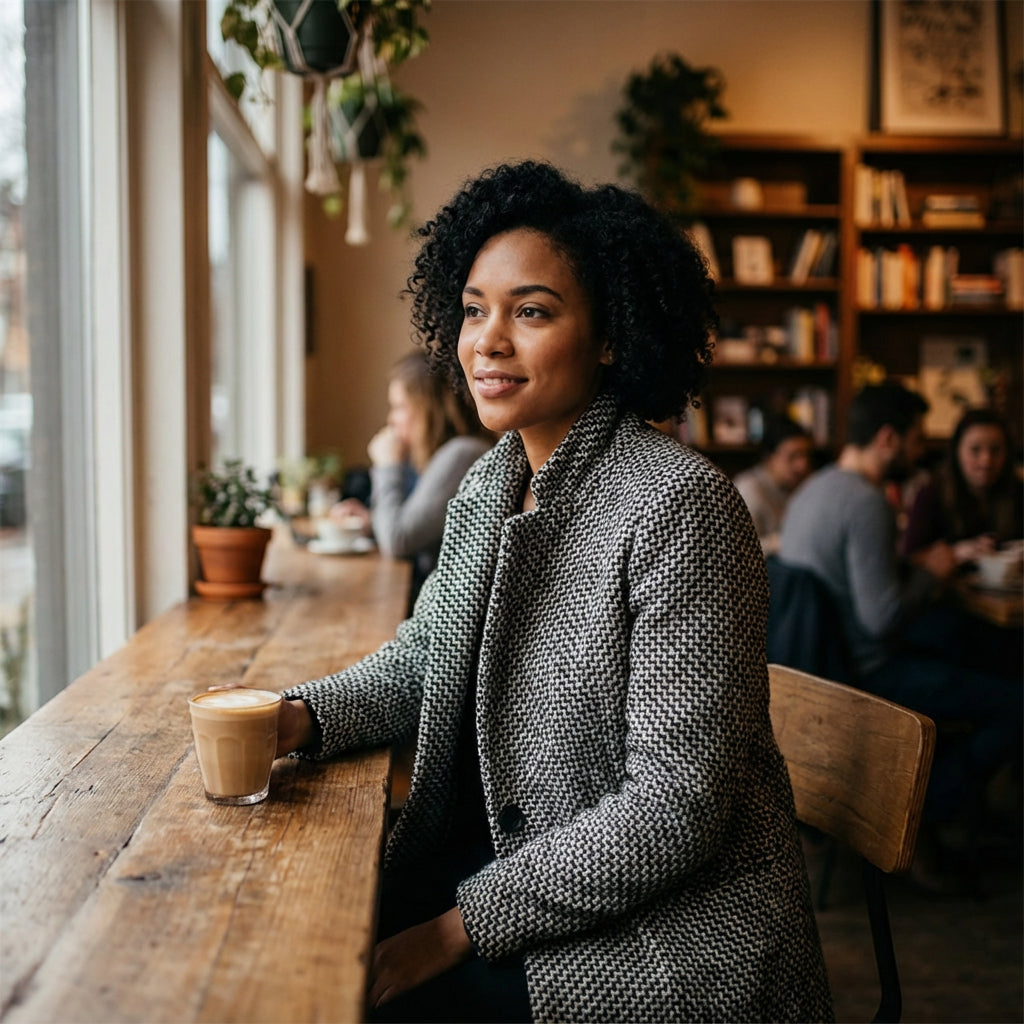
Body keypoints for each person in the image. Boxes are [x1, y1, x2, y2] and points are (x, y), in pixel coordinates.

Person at [266, 161, 831, 1023]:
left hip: (666, 945)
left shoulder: (678, 506)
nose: (487, 340)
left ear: (609, 336)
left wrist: (449, 935)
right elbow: (428, 655)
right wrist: (296, 718)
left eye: (530, 311)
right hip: (536, 884)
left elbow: (673, 809)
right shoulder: (494, 480)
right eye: (473, 309)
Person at [778, 382, 1022, 837]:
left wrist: (916, 564)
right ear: (888, 438)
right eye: (915, 438)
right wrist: (932, 573)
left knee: (960, 640)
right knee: (1014, 703)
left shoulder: (817, 486)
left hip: (814, 672)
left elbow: (854, 581)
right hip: (864, 675)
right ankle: (925, 818)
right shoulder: (867, 500)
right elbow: (881, 619)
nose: (920, 449)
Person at [333, 350, 493, 613]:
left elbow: (399, 540)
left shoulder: (463, 454)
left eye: (399, 407)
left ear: (427, 408)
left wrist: (388, 466)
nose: (391, 419)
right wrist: (370, 522)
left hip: (449, 614)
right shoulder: (445, 456)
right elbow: (412, 529)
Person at [900, 406, 1022, 564]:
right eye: (975, 450)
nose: (986, 461)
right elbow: (907, 560)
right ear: (957, 452)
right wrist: (954, 554)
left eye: (995, 450)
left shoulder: (1018, 491)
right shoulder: (931, 495)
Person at [732, 414, 813, 554]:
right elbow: (737, 548)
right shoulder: (748, 490)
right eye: (793, 456)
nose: (802, 465)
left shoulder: (804, 484)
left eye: (805, 455)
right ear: (770, 458)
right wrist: (780, 542)